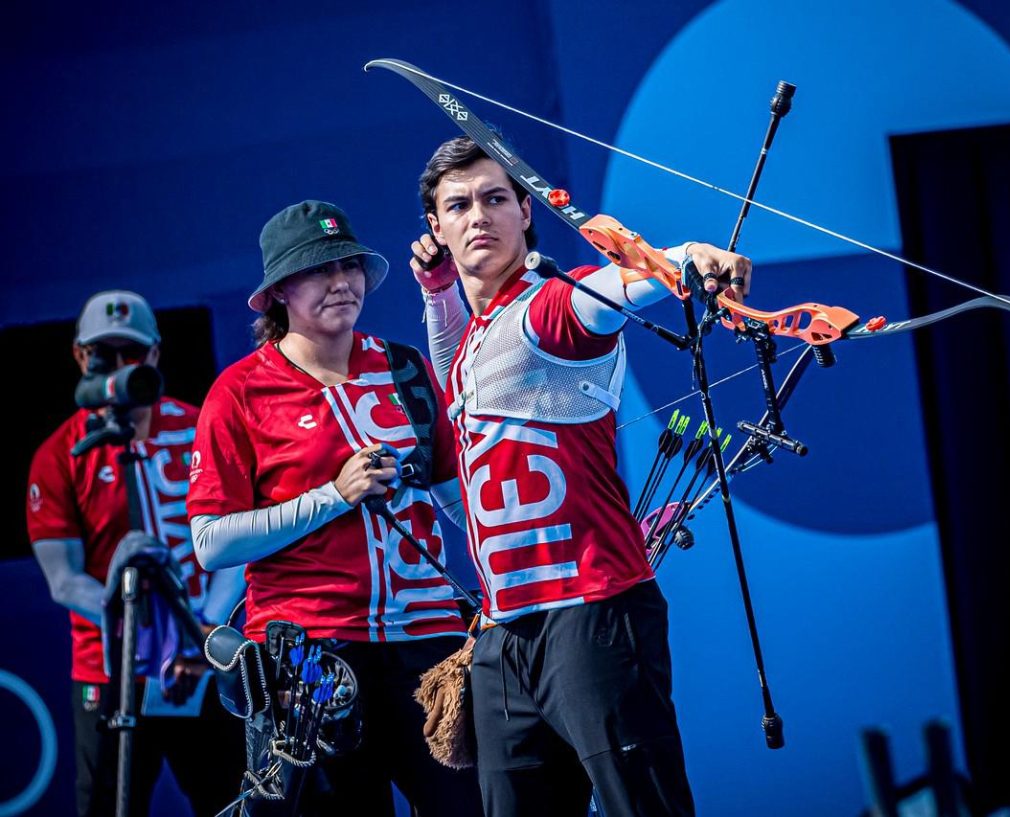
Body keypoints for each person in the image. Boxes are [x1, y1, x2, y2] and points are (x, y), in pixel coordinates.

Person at [409, 135, 754, 817]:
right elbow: (456, 369)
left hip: (593, 612)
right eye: (459, 205)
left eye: (496, 199)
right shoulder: (477, 332)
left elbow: (611, 291)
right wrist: (437, 288)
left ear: (526, 213)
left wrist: (686, 259)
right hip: (503, 630)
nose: (479, 215)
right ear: (436, 228)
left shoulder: (549, 310)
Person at [186, 200, 484, 816]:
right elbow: (212, 542)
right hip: (310, 659)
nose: (342, 281)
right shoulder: (240, 390)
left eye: (349, 265)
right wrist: (332, 496)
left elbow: (461, 502)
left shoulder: (404, 367)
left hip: (430, 643)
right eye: (320, 270)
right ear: (278, 293)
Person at [26, 290, 247, 817]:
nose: (120, 370)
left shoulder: (201, 427)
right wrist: (142, 631)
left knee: (232, 800)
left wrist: (202, 635)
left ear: (153, 355)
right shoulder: (59, 455)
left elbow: (235, 544)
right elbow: (64, 580)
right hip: (109, 670)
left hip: (204, 660)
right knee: (107, 804)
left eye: (131, 354)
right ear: (81, 357)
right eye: (105, 355)